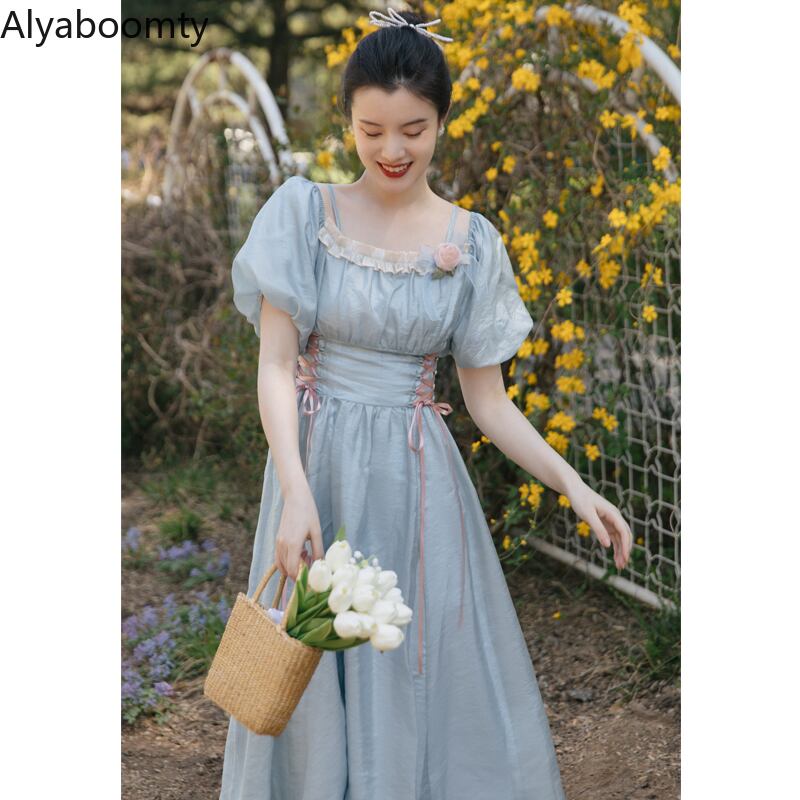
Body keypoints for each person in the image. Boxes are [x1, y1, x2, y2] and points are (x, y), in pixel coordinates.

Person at [218, 8, 633, 799]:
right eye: (371, 130)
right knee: (312, 664)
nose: (392, 150)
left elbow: (489, 403)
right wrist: (295, 490)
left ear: (442, 120)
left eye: (413, 129)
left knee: (424, 663)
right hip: (317, 471)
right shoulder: (304, 214)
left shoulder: (471, 243)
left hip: (419, 489)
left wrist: (573, 485)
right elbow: (274, 363)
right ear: (348, 119)